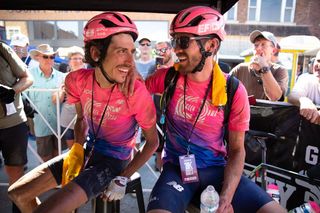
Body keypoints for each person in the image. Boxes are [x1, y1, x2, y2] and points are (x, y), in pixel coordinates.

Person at [138, 6, 286, 213]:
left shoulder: (232, 89)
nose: (176, 49)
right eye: (174, 41)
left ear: (211, 45)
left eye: (183, 42)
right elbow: (132, 91)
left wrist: (226, 197)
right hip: (176, 171)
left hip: (217, 171)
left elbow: (236, 150)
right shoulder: (168, 77)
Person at [8, 11, 158, 213]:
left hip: (115, 160)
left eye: (132, 52)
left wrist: (124, 177)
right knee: (17, 193)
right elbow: (81, 119)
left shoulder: (135, 91)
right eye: (122, 51)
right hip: (88, 149)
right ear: (96, 54)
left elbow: (153, 141)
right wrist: (77, 149)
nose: (131, 62)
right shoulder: (76, 80)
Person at [0, 42, 33, 212]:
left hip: (12, 124)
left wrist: (12, 91)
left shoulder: (2, 49)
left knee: (16, 173)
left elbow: (28, 78)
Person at [25, 44, 66, 162]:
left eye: (52, 57)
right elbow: (22, 99)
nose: (49, 60)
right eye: (45, 56)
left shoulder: (62, 77)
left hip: (58, 124)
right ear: (38, 57)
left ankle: (55, 181)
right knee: (44, 160)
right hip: (40, 125)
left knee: (57, 157)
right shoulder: (29, 76)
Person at [230, 30, 288, 101]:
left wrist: (263, 67)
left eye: (263, 45)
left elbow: (275, 97)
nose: (258, 48)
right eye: (256, 45)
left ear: (273, 51)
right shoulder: (240, 69)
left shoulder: (279, 70)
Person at [148, 41, 175, 171]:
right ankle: (160, 172)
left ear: (170, 50)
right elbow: (149, 89)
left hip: (173, 110)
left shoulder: (178, 67)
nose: (160, 54)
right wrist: (157, 75)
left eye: (163, 50)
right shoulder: (153, 68)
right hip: (158, 110)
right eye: (157, 51)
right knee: (158, 146)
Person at [60, 46, 86, 149]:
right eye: (75, 58)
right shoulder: (63, 77)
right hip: (68, 117)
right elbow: (59, 99)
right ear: (69, 61)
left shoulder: (89, 76)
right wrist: (62, 90)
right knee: (72, 151)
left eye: (80, 58)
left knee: (84, 149)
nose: (78, 61)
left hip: (85, 118)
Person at [288, 50, 320, 125]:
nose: (319, 65)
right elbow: (292, 96)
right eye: (318, 61)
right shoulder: (306, 78)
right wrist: (303, 100)